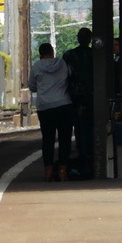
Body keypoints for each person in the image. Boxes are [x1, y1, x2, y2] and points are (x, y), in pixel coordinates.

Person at [29, 43, 74, 182]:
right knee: (65, 139)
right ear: (52, 51)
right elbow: (70, 78)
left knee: (47, 140)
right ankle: (62, 171)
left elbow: (32, 87)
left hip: (45, 108)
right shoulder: (62, 63)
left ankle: (48, 172)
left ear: (40, 53)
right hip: (63, 105)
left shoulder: (36, 67)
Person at [63, 27, 94, 178]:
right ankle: (89, 160)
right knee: (91, 129)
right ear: (90, 39)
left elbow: (65, 76)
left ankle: (82, 158)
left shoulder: (69, 55)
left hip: (74, 98)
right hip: (92, 98)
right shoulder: (95, 55)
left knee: (79, 130)